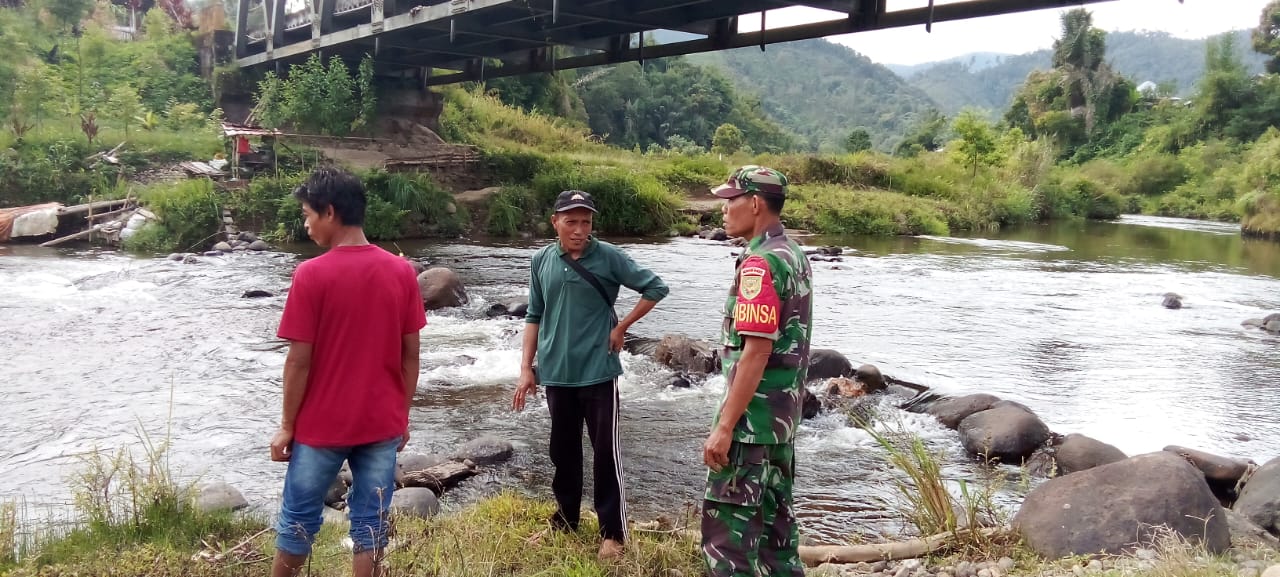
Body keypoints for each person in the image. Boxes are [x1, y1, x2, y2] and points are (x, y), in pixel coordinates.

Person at [270, 167, 426, 577]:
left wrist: (287, 425)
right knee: (370, 523)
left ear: (330, 212)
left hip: (321, 427)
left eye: (307, 214)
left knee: (298, 520)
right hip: (380, 424)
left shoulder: (310, 275)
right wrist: (402, 415)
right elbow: (411, 355)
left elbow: (299, 360)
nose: (306, 223)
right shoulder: (400, 272)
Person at [512, 190, 669, 560]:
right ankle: (565, 520)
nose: (580, 230)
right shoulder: (541, 260)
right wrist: (526, 369)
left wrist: (622, 327)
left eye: (586, 222)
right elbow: (534, 314)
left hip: (598, 372)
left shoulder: (608, 256)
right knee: (562, 453)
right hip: (556, 374)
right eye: (572, 222)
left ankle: (612, 534)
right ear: (555, 223)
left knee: (605, 455)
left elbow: (655, 287)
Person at [700, 166, 812, 577]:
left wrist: (725, 426)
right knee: (776, 540)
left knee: (728, 542)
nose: (724, 210)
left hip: (751, 427)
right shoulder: (793, 253)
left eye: (730, 200)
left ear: (755, 204)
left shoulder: (759, 264)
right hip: (781, 425)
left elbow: (756, 352)